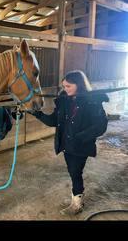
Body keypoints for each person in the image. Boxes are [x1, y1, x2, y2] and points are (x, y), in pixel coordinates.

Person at [29, 70, 109, 215]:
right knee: (73, 172)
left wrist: (81, 136)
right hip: (66, 145)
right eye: (64, 87)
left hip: (80, 145)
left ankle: (77, 203)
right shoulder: (64, 100)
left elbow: (100, 126)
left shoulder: (92, 101)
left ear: (78, 85)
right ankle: (77, 198)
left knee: (75, 172)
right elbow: (54, 120)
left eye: (68, 86)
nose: (65, 90)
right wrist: (37, 114)